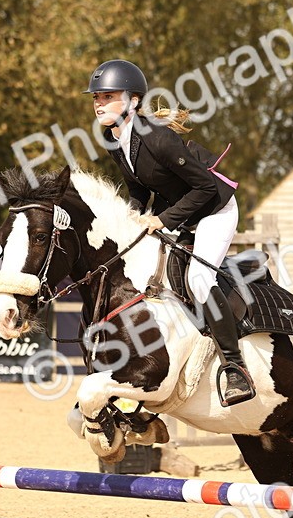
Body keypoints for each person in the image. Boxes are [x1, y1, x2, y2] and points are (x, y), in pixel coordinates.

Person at [86, 59, 255, 407]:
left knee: (199, 279)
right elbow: (137, 186)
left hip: (214, 210)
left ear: (133, 101)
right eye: (96, 97)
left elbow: (206, 188)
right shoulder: (112, 138)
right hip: (177, 209)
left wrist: (162, 221)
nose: (99, 103)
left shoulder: (158, 138)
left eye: (108, 96)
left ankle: (234, 366)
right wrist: (133, 216)